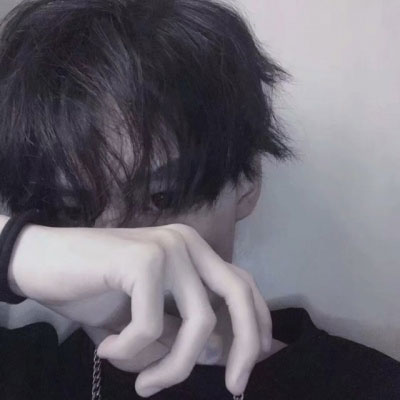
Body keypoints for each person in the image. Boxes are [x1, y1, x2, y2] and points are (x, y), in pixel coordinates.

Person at [0, 0, 399, 399]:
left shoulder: (367, 386)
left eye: (161, 197)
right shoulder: (29, 372)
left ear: (246, 180)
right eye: (72, 209)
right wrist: (13, 251)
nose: (125, 252)